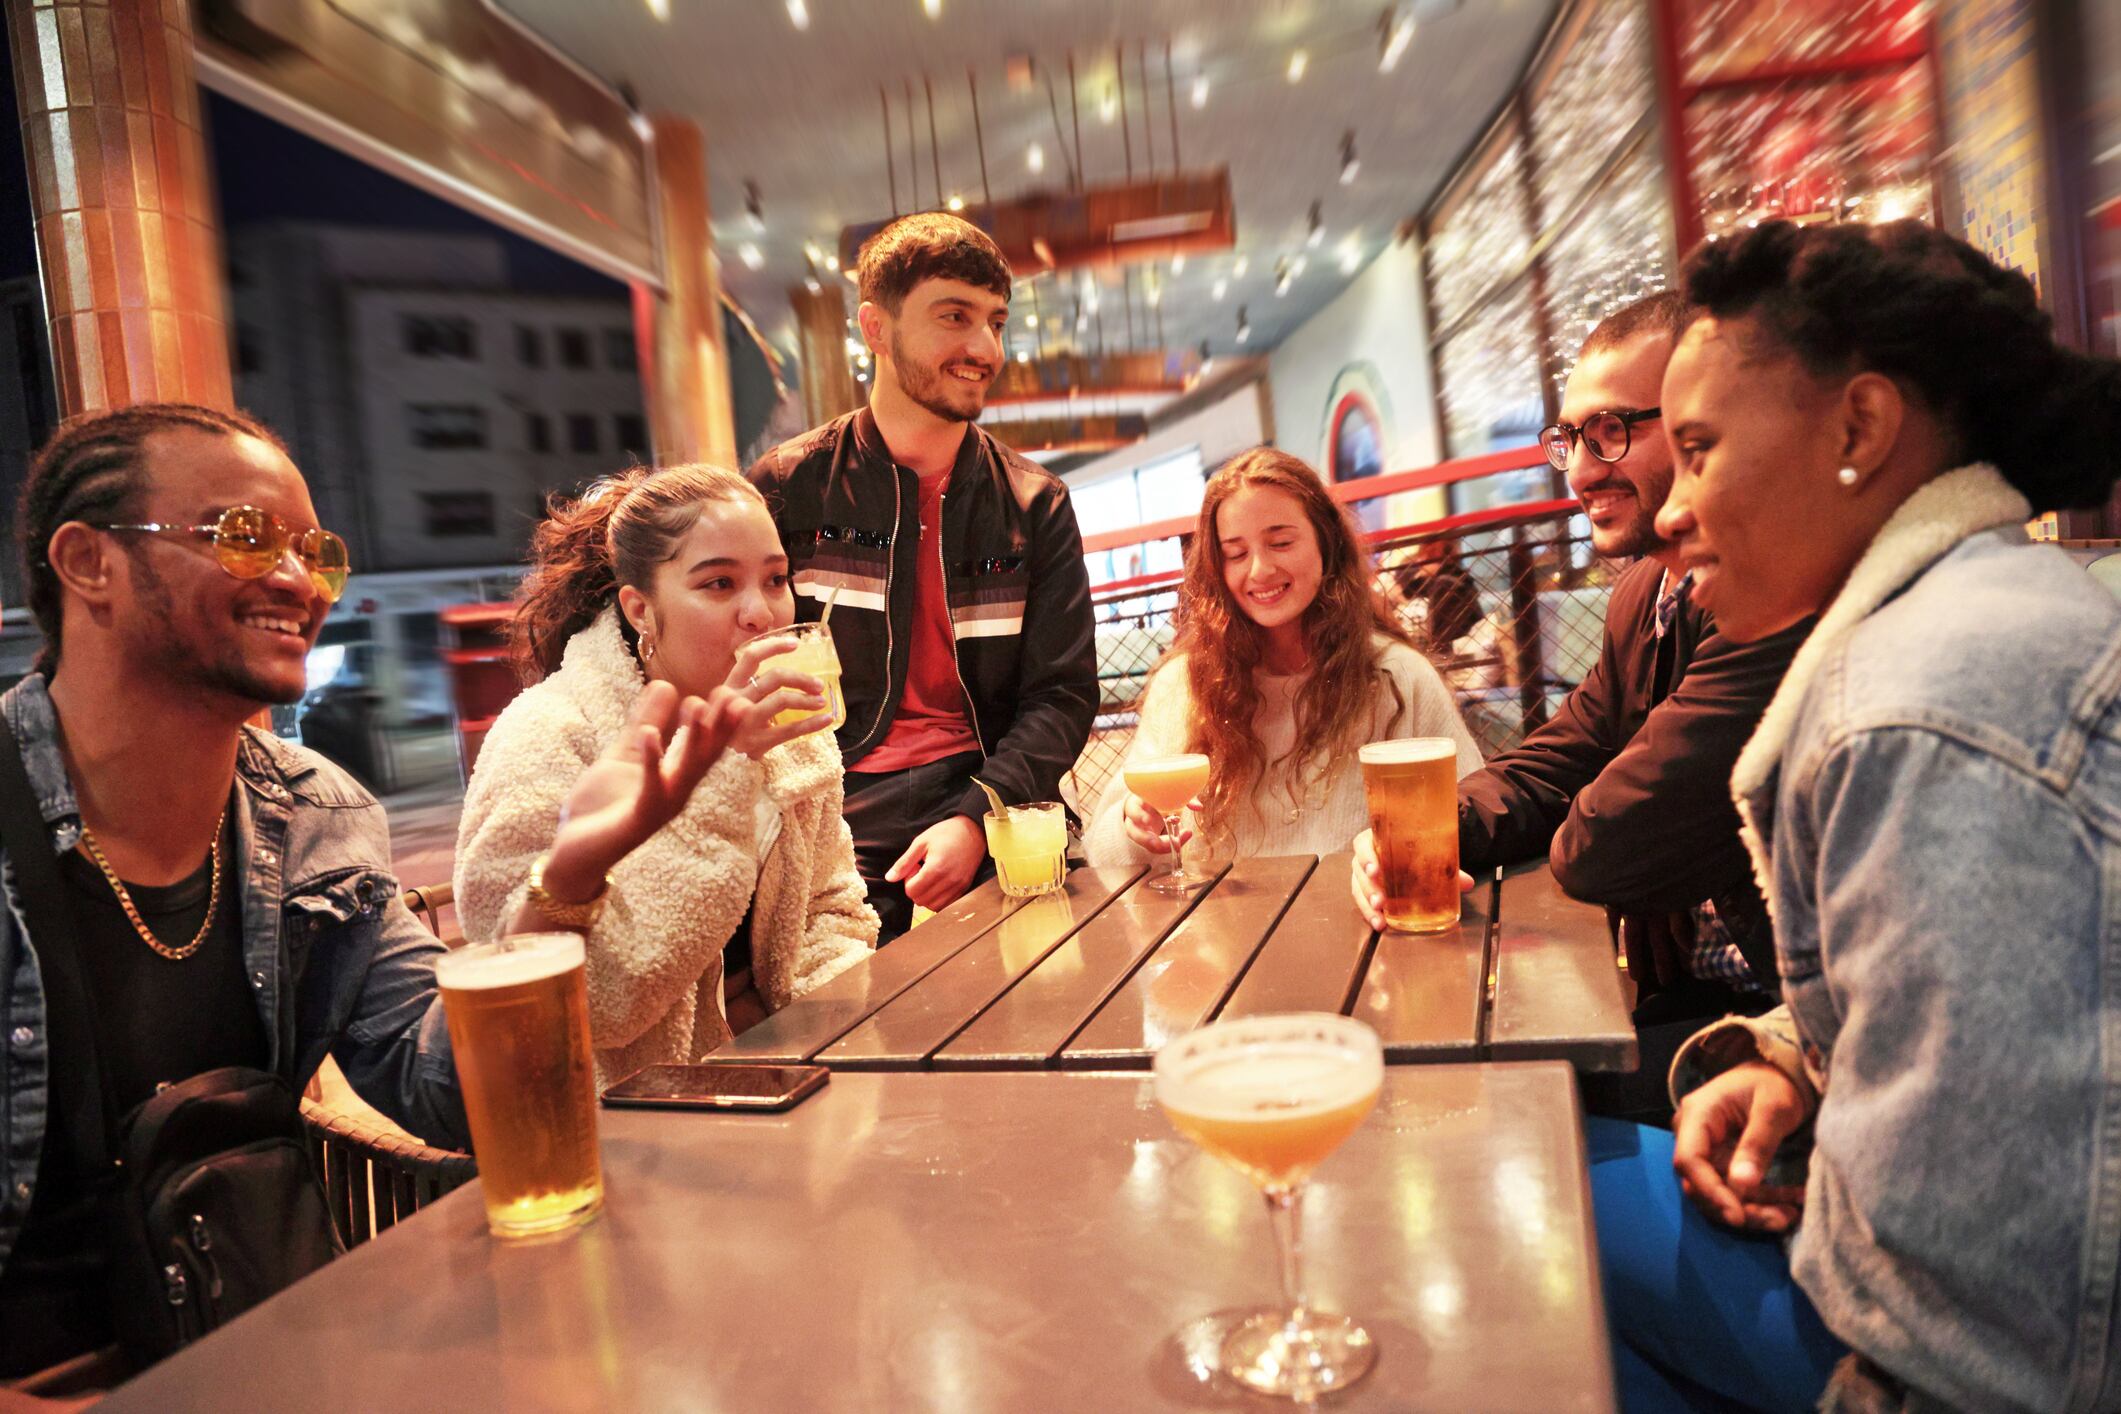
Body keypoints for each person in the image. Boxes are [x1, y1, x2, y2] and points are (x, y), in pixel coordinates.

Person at [0, 406, 737, 1393]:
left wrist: (565, 878)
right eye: (245, 537)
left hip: (257, 1345)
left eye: (318, 552)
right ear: (87, 562)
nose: (301, 583)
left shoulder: (312, 816)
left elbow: (454, 1096)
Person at [1594, 220, 2121, 1411]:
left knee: (1548, 1204)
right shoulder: (1980, 617)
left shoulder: (1920, 703)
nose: (1667, 509)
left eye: (1698, 449)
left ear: (1860, 429)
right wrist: (1792, 1056)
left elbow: (1983, 1322)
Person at [1351, 292, 1804, 1042]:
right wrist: (1425, 831)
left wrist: (1626, 837)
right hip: (1700, 991)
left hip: (1798, 1020)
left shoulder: (1771, 594)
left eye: (1612, 431)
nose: (1584, 470)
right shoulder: (1643, 594)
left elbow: (1607, 842)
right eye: (1570, 439)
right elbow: (1554, 765)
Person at [455, 464, 877, 1089]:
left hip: (789, 1074)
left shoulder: (788, 730)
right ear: (640, 609)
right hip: (631, 1106)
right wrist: (725, 772)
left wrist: (824, 1036)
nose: (761, 613)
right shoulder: (548, 737)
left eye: (777, 578)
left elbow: (829, 907)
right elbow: (602, 1006)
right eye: (719, 584)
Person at [747, 212, 1097, 940]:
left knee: (1065, 977)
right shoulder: (790, 486)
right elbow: (738, 655)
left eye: (996, 322)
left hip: (992, 786)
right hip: (836, 797)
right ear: (875, 328)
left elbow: (1061, 696)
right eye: (954, 317)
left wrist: (977, 817)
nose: (984, 348)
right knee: (834, 1006)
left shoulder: (1034, 502)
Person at [1083, 449, 1479, 868]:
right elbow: (1103, 853)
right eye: (1235, 554)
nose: (1259, 570)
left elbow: (1474, 821)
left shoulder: (1397, 677)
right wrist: (1135, 824)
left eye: (1281, 542)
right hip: (1221, 931)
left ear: (1325, 542)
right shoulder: (1186, 686)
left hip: (1360, 928)